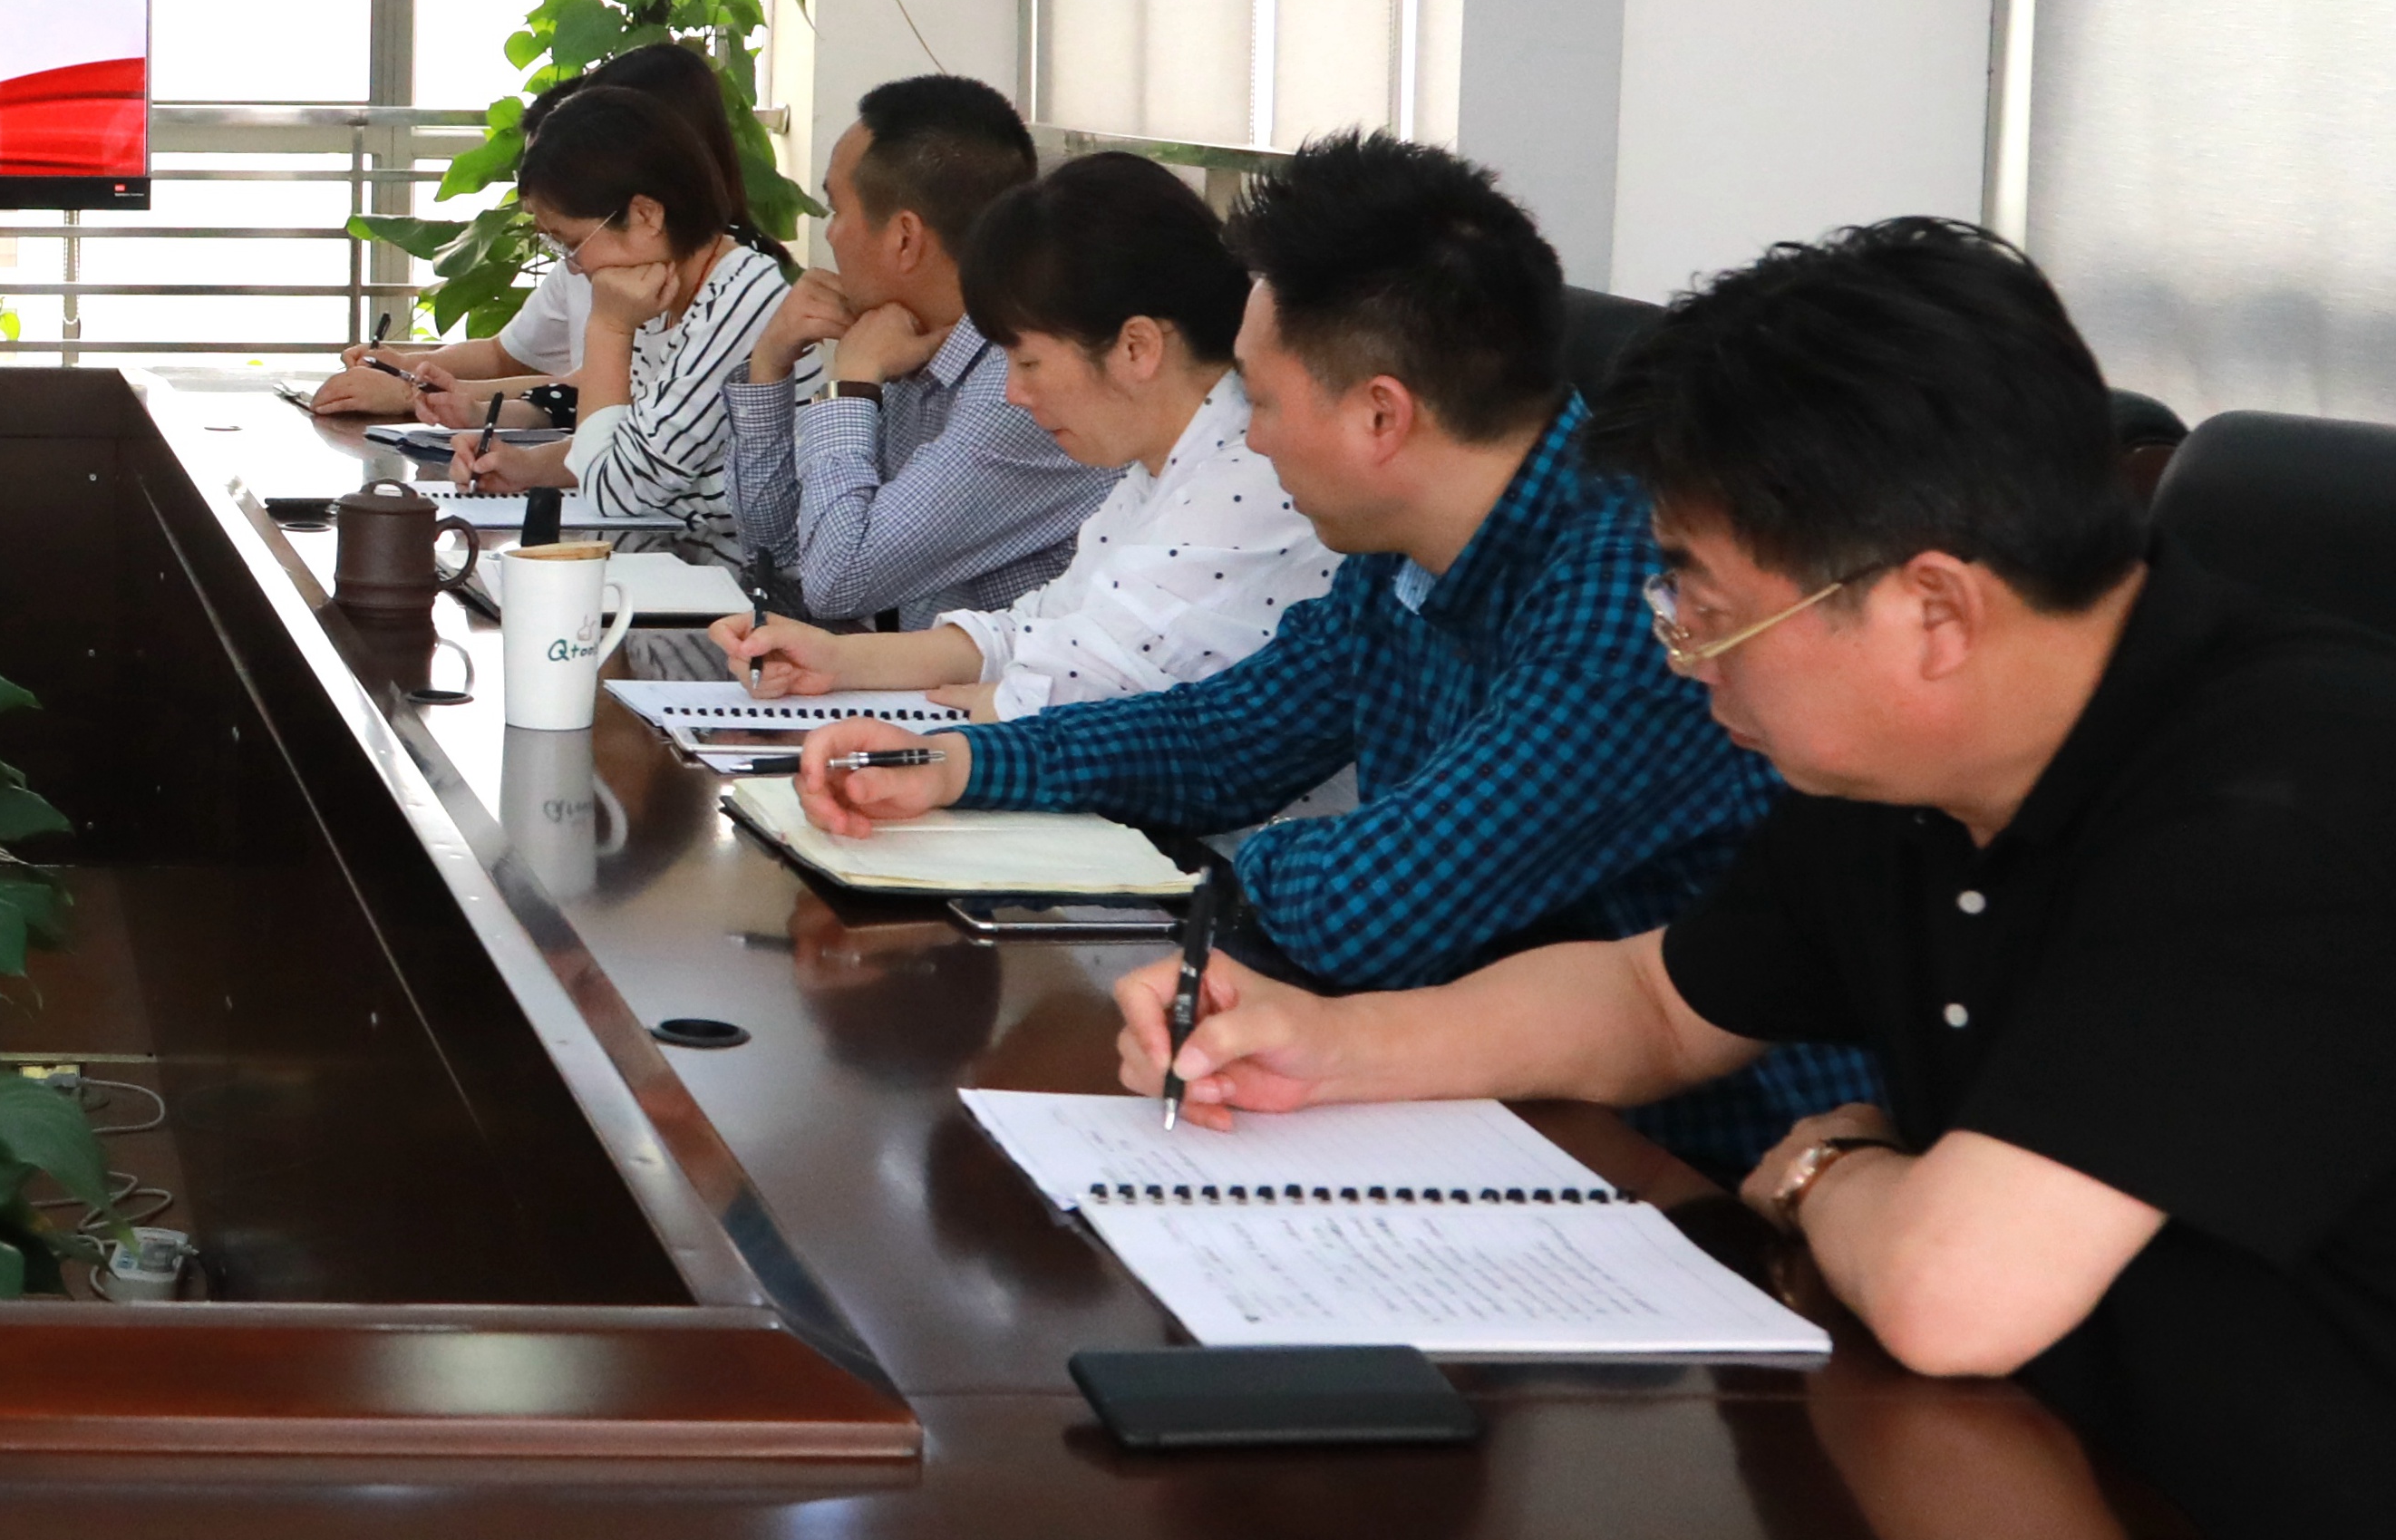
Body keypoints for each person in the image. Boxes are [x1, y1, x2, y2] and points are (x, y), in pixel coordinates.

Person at [1115, 221, 2396, 1540]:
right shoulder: (1902, 770)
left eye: (1702, 593)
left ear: (1929, 606)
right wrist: (1321, 1044)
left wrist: (1821, 1166)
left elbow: (1963, 1288)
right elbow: (1648, 1000)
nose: (1675, 642)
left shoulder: (2293, 779)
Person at [789, 130, 1862, 1165]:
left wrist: (1234, 861)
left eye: (1260, 398)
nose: (1248, 436)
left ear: (1380, 417)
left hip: (1696, 1178)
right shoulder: (1401, 553)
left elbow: (1373, 906)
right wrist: (961, 763)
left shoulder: (1629, 589)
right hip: (1477, 1102)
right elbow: (1228, 735)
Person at [713, 145, 1336, 714]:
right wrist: (836, 660)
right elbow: (1035, 630)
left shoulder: (1248, 477)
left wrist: (990, 702)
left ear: (1137, 347)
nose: (1014, 392)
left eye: (1029, 362)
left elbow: (1081, 691)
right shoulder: (1163, 467)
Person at [716, 75, 1105, 624]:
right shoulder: (905, 340)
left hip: (1003, 680)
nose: (830, 235)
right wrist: (769, 365)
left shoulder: (1018, 389)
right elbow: (777, 554)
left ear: (904, 238)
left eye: (837, 210)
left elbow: (837, 581)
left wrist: (850, 388)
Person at [310, 44, 767, 430]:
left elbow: (626, 457)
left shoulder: (731, 289)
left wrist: (415, 393)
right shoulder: (613, 258)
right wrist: (415, 375)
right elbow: (550, 380)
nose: (574, 262)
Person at [429, 84, 794, 544]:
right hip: (673, 563)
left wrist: (609, 327)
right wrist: (526, 466)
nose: (573, 265)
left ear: (645, 215)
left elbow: (617, 491)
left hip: (729, 579)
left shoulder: (741, 299)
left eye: (571, 242)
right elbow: (622, 445)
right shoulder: (662, 287)